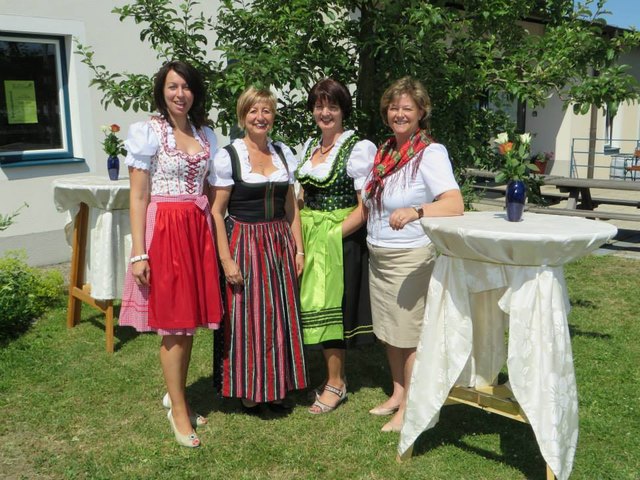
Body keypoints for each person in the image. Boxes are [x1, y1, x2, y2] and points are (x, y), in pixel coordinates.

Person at [119, 60, 223, 448]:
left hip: (197, 230)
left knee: (189, 320)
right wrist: (138, 252)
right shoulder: (148, 132)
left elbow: (214, 189)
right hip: (166, 229)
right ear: (161, 91)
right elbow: (139, 195)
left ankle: (176, 393)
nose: (180, 94)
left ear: (195, 92)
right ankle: (179, 410)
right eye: (172, 87)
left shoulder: (204, 133)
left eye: (186, 87)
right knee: (173, 328)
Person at [363, 76, 463, 432]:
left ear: (422, 111)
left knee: (409, 336)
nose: (399, 113)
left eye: (407, 108)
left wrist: (418, 211)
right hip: (381, 256)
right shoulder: (386, 151)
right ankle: (397, 393)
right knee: (390, 333)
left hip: (410, 259)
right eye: (394, 107)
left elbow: (454, 204)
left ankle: (412, 406)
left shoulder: (429, 153)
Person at [211, 86, 308, 413]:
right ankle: (250, 389)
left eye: (266, 111)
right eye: (253, 111)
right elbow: (215, 211)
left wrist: (299, 249)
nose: (260, 117)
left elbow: (291, 205)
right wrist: (226, 259)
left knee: (279, 314)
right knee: (249, 318)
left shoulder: (283, 153)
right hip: (245, 241)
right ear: (243, 116)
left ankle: (277, 386)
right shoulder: (229, 156)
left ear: (273, 115)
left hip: (278, 240)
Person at [295, 78, 376, 414]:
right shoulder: (309, 147)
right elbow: (300, 197)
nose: (324, 112)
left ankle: (337, 383)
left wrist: (332, 234)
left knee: (333, 309)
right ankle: (323, 377)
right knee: (310, 305)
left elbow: (366, 206)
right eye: (319, 105)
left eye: (332, 106)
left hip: (339, 237)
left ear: (343, 110)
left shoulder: (358, 147)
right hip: (310, 236)